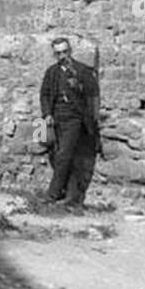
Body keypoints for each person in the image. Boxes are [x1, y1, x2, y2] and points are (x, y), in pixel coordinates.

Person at [38, 36, 103, 212]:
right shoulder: (52, 72)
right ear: (54, 54)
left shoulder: (82, 71)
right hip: (55, 119)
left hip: (74, 119)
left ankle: (52, 194)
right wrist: (47, 114)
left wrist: (78, 87)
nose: (62, 56)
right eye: (58, 53)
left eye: (65, 52)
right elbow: (44, 94)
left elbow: (92, 96)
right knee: (57, 154)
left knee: (63, 155)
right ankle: (72, 197)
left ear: (70, 51)